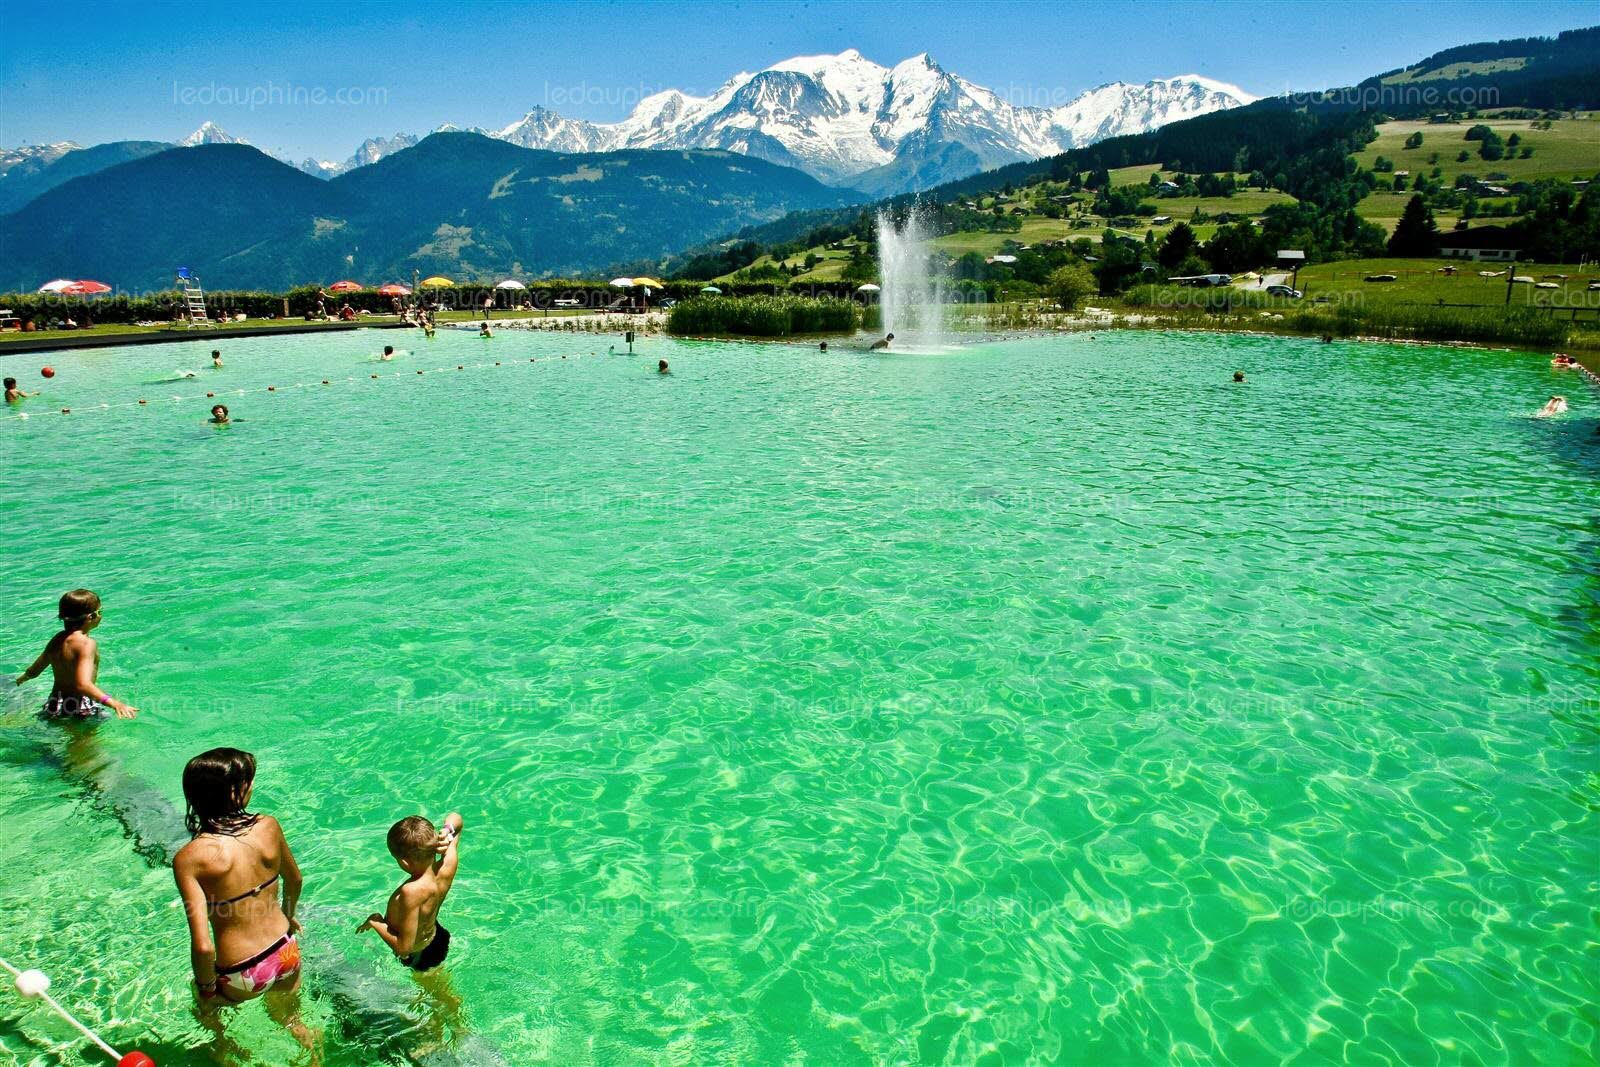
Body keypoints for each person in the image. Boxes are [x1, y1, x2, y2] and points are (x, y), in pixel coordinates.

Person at [173, 749, 316, 1055]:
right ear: (235, 792)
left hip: (243, 971)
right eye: (248, 782)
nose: (252, 787)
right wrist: (288, 917)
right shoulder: (269, 826)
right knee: (291, 1018)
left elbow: (203, 946)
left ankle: (226, 1053)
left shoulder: (190, 858)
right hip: (285, 949)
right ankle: (310, 1054)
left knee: (205, 1009)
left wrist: (208, 991)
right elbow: (295, 881)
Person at [358, 813, 465, 973]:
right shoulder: (446, 865)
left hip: (419, 955)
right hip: (437, 937)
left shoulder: (412, 891)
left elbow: (404, 949)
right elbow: (457, 819)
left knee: (436, 994)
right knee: (439, 985)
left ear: (404, 862)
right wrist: (447, 831)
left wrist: (376, 922)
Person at [14, 589, 138, 719]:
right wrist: (114, 703)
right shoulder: (87, 644)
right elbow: (83, 684)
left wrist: (22, 678)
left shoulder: (57, 639)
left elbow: (34, 671)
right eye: (100, 611)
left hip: (55, 704)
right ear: (91, 617)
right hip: (79, 706)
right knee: (85, 739)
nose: (101, 615)